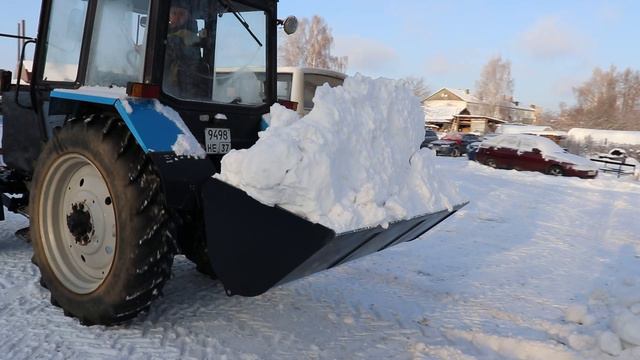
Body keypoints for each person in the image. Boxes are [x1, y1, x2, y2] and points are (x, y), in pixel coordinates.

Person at [164, 0, 209, 99]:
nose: (177, 17)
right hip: (167, 83)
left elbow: (174, 46)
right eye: (174, 13)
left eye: (181, 14)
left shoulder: (188, 35)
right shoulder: (164, 32)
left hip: (183, 87)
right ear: (169, 16)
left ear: (188, 16)